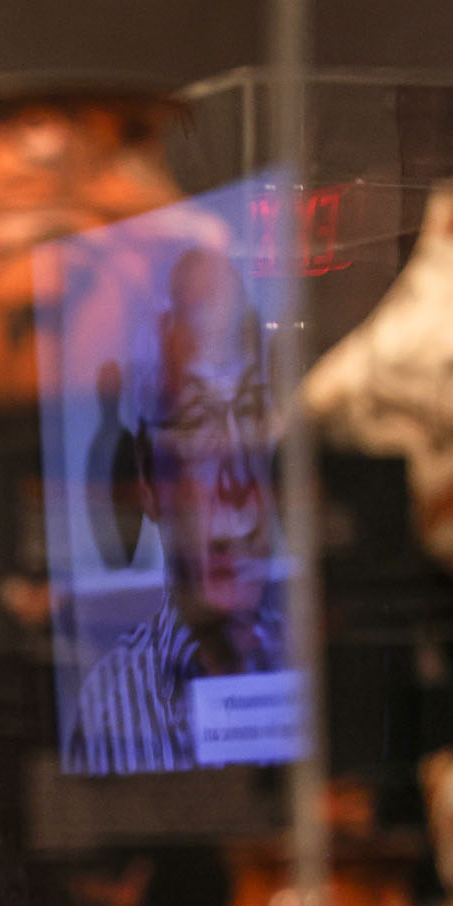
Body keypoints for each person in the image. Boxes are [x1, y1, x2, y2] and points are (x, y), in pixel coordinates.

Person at [69, 248, 285, 775]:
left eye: (252, 417)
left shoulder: (319, 664)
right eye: (196, 425)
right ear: (148, 481)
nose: (236, 486)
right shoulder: (109, 704)